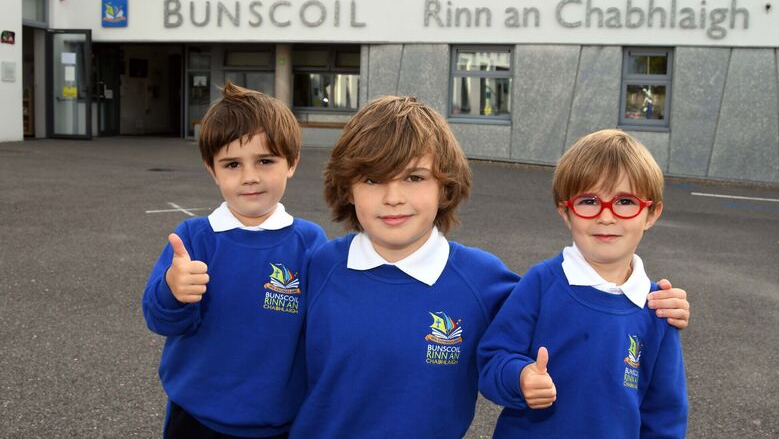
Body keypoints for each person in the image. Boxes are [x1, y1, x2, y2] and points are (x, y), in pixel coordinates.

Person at [289, 98, 690, 439]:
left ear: (445, 186)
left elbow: (573, 311)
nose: (393, 197)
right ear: (347, 187)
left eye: (414, 177)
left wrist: (647, 303)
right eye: (373, 179)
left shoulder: (484, 281)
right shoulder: (319, 265)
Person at [142, 82, 327, 439]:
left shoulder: (310, 242)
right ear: (212, 170)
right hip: (196, 418)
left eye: (265, 161)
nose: (250, 177)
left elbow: (325, 332)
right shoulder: (193, 238)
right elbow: (160, 319)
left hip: (280, 421)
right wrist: (172, 290)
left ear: (292, 163)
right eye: (232, 164)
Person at [478, 129, 688, 438]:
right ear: (565, 212)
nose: (606, 216)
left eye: (625, 201)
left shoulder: (659, 307)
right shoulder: (541, 283)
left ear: (651, 213)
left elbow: (665, 412)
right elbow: (492, 359)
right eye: (589, 201)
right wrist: (520, 376)